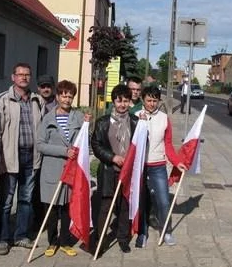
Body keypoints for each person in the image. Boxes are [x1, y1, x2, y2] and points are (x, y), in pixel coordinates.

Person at [0, 63, 43, 255]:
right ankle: (3, 239)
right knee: (6, 200)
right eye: (20, 75)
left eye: (27, 75)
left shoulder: (37, 101)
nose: (24, 78)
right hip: (10, 156)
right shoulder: (3, 100)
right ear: (13, 77)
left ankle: (21, 236)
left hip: (31, 156)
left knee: (26, 199)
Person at [36, 80, 85, 257]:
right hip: (52, 170)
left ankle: (65, 241)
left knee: (66, 209)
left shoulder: (79, 117)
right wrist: (64, 151)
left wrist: (87, 125)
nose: (66, 98)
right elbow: (40, 145)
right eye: (63, 95)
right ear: (57, 96)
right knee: (51, 209)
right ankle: (52, 241)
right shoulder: (48, 118)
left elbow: (85, 140)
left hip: (71, 171)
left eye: (70, 96)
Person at [135, 85, 187, 248]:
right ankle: (142, 233)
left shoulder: (164, 118)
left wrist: (176, 161)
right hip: (140, 166)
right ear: (143, 100)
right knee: (141, 201)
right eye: (148, 100)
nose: (151, 104)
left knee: (164, 201)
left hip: (158, 166)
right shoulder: (135, 116)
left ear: (159, 101)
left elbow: (168, 144)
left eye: (154, 101)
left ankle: (166, 231)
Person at [91, 84, 138, 254]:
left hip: (128, 172)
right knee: (106, 206)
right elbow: (95, 144)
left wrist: (131, 160)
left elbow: (141, 144)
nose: (122, 104)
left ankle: (123, 238)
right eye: (119, 101)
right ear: (114, 101)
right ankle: (100, 239)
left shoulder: (136, 121)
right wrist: (113, 157)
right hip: (109, 170)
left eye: (126, 101)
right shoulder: (103, 122)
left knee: (124, 206)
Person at [32, 74, 56, 234]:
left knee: (50, 188)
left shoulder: (58, 104)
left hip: (53, 153)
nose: (45, 89)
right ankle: (38, 220)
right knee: (35, 189)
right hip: (35, 152)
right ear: (38, 88)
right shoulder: (32, 102)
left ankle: (50, 218)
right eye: (42, 86)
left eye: (48, 86)